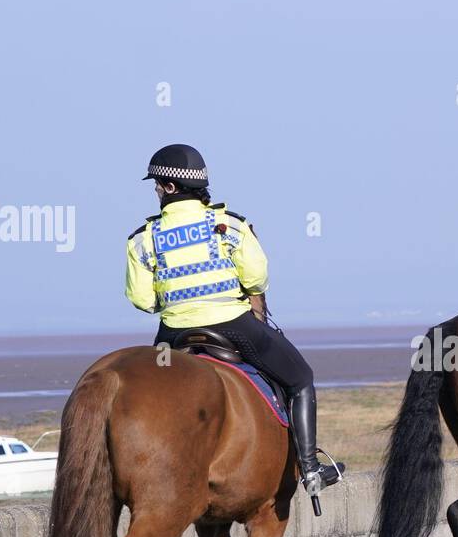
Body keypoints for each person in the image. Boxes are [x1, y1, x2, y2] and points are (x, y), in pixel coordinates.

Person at [125, 143, 343, 493]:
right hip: (233, 325)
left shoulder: (142, 240)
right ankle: (311, 469)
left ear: (168, 187)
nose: (155, 193)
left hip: (173, 336)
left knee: (146, 393)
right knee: (301, 379)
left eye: (155, 186)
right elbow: (257, 277)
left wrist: (172, 300)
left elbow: (141, 299)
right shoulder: (230, 225)